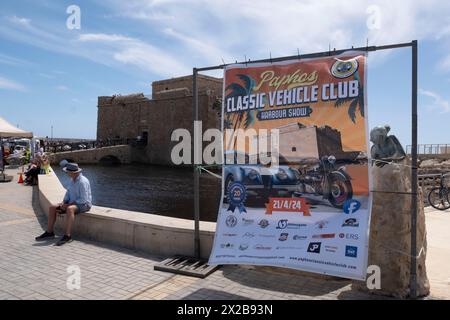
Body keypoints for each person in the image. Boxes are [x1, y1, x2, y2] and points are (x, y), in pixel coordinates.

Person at [35, 163, 92, 246]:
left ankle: (67, 235)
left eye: (67, 172)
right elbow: (68, 193)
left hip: (84, 205)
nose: (66, 174)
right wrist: (64, 202)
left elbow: (83, 199)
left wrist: (68, 205)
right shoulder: (72, 180)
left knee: (70, 209)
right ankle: (49, 232)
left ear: (73, 172)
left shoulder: (83, 182)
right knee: (53, 207)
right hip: (73, 203)